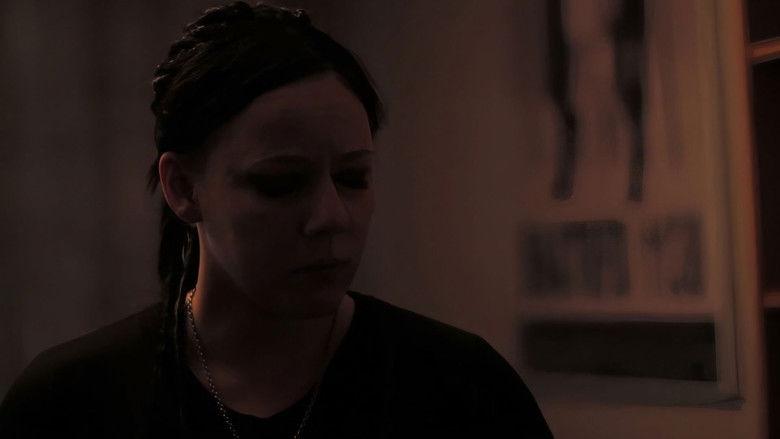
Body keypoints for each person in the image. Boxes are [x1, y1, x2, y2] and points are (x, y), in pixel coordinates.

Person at [0, 2, 553, 438]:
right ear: (183, 188)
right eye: (280, 183)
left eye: (353, 178)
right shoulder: (69, 403)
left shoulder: (464, 391)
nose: (330, 217)